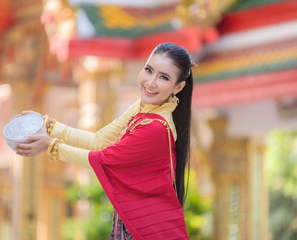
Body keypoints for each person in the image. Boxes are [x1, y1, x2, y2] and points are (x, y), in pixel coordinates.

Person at [14, 42, 193, 240]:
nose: (150, 82)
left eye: (163, 77)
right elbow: (99, 141)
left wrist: (50, 146)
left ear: (178, 87)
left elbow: (103, 158)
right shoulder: (142, 108)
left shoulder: (157, 128)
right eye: (148, 70)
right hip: (138, 225)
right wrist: (48, 125)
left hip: (153, 230)